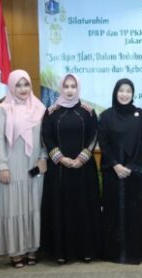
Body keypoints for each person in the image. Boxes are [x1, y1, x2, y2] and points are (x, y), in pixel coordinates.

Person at [40, 74, 102, 264]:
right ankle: (61, 252)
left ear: (78, 88)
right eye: (66, 86)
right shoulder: (51, 112)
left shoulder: (88, 111)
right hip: (59, 170)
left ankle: (86, 250)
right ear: (61, 88)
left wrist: (82, 158)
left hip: (84, 169)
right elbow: (46, 138)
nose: (69, 90)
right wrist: (61, 158)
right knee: (61, 208)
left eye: (73, 86)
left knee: (84, 208)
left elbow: (94, 135)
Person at [0, 70, 48, 268]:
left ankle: (32, 248)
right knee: (13, 207)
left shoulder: (40, 108)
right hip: (12, 166)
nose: (23, 89)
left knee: (33, 205)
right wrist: (2, 166)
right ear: (11, 87)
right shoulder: (3, 110)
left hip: (34, 166)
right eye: (18, 85)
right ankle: (16, 251)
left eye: (26, 84)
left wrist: (43, 157)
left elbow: (46, 138)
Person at [98, 78, 142, 264]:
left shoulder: (141, 115)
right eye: (121, 91)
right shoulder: (106, 116)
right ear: (115, 92)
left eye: (128, 91)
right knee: (114, 213)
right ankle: (115, 253)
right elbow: (103, 143)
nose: (124, 94)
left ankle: (136, 252)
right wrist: (115, 165)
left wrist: (131, 167)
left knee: (136, 213)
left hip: (135, 175)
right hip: (113, 173)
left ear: (133, 94)